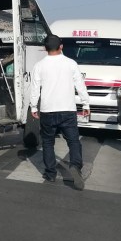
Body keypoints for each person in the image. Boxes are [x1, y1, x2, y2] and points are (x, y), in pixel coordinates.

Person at [29, 34, 90, 190]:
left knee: (48, 143)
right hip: (68, 110)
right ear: (61, 46)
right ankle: (75, 166)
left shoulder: (39, 65)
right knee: (73, 141)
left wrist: (34, 107)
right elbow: (80, 85)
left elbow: (35, 88)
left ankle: (50, 173)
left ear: (44, 48)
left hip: (48, 110)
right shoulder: (71, 63)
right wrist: (85, 104)